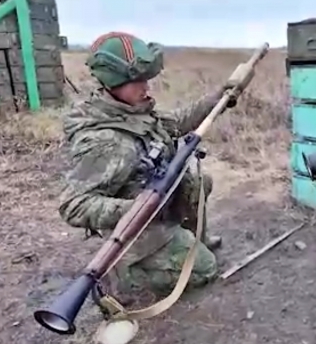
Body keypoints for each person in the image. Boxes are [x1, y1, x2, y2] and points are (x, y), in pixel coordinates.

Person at [58, 32, 236, 310]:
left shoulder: (132, 111)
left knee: (200, 183)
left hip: (157, 207)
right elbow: (73, 205)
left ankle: (194, 239)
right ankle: (121, 274)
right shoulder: (106, 141)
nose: (146, 86)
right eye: (137, 81)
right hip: (136, 227)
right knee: (205, 269)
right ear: (113, 83)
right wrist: (133, 210)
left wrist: (218, 98)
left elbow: (176, 123)